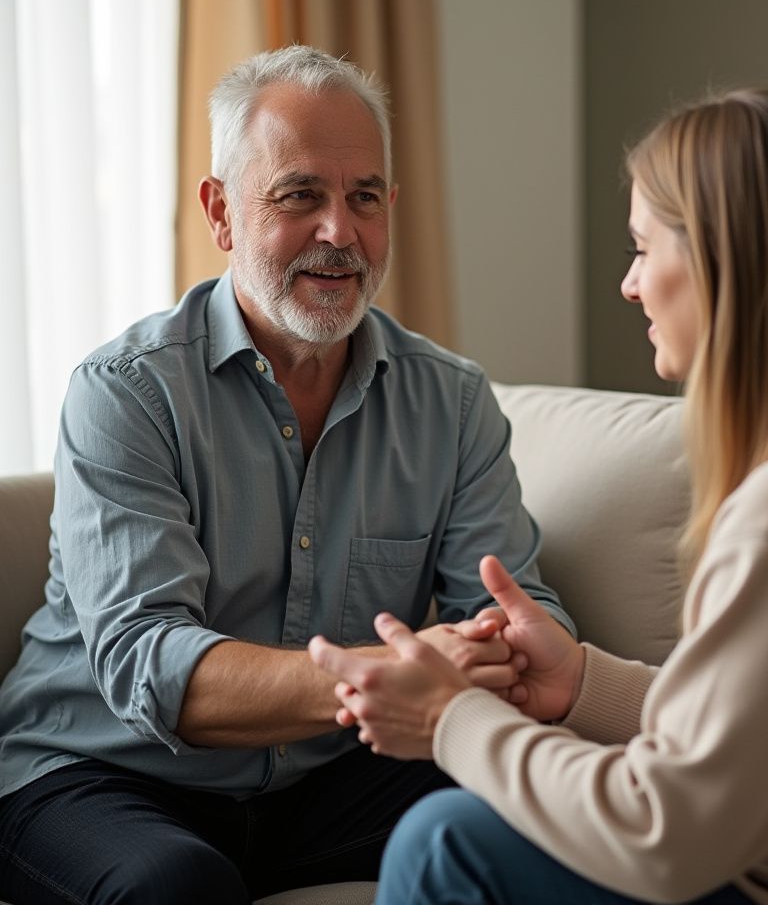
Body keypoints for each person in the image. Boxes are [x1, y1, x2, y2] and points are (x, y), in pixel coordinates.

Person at [308, 88, 768, 905]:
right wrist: (580, 680)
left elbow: (663, 833)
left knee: (447, 845)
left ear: (726, 261)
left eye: (643, 249)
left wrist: (451, 721)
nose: (630, 286)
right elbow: (758, 735)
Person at [0, 45, 574, 905]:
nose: (340, 232)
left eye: (364, 198)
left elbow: (512, 613)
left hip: (325, 780)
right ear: (221, 211)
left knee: (558, 800)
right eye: (301, 195)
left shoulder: (452, 404)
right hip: (103, 772)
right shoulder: (125, 392)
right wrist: (392, 672)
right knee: (176, 885)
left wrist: (498, 645)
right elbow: (150, 666)